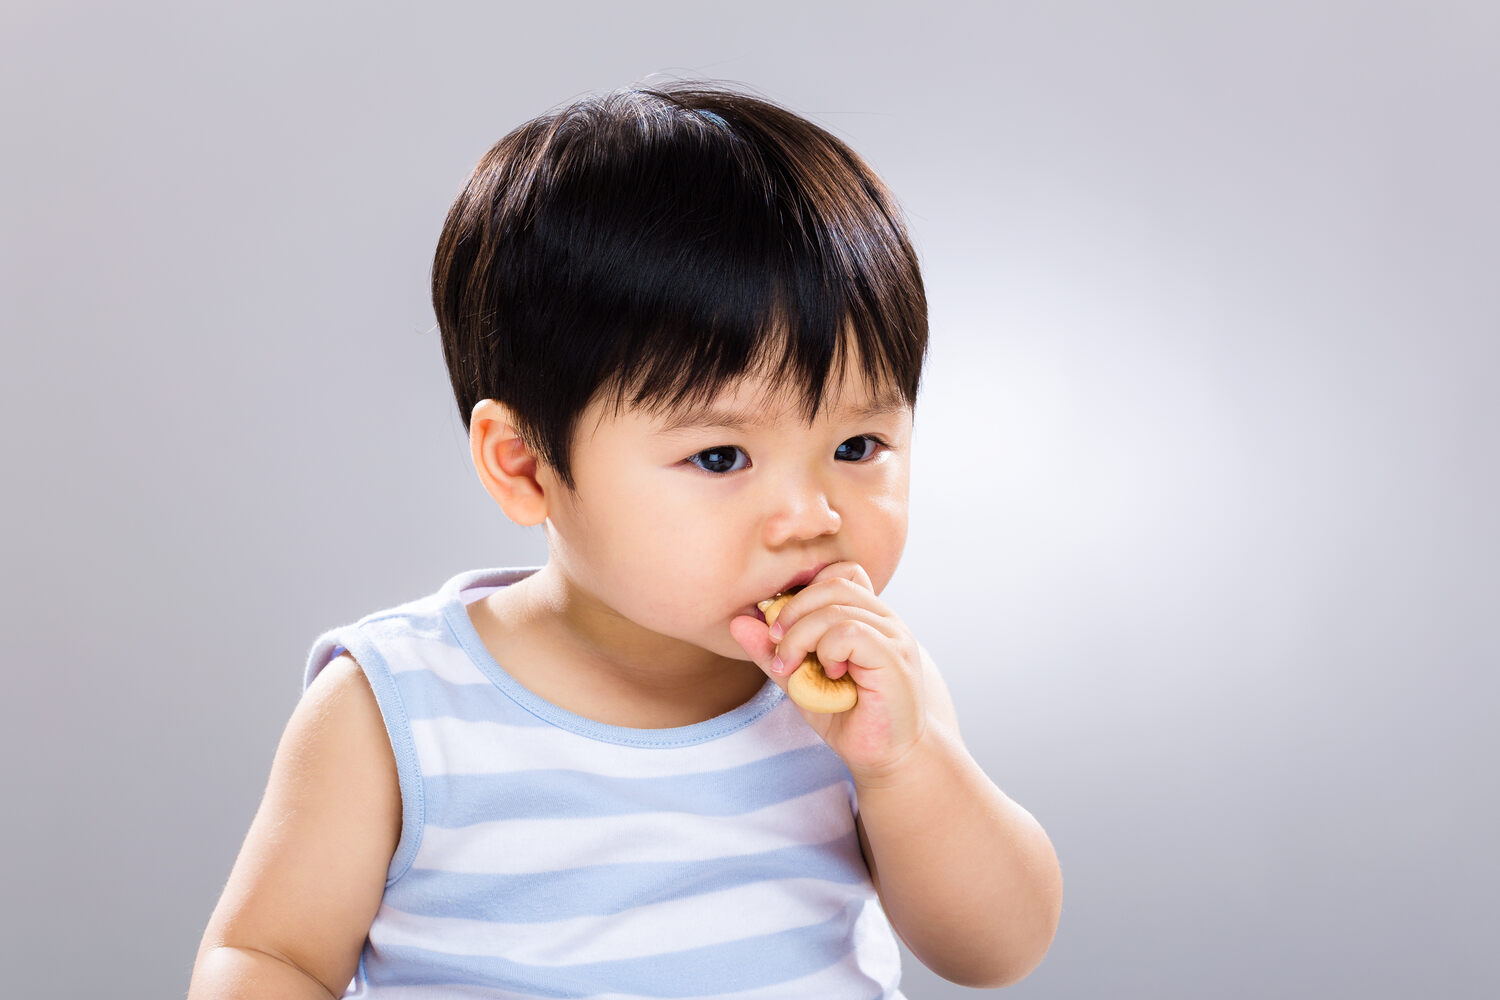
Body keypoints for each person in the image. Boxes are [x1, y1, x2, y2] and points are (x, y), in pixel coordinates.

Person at [188, 80, 1062, 999]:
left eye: (857, 446)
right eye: (722, 456)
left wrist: (905, 766)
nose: (812, 513)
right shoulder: (398, 706)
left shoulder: (872, 692)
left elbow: (995, 951)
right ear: (525, 467)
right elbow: (268, 956)